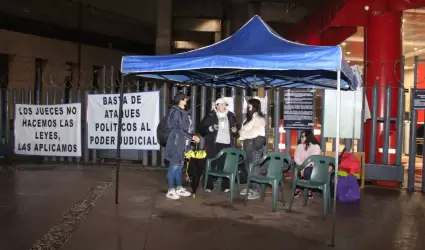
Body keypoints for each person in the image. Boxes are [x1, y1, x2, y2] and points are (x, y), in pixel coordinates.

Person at [198, 98, 240, 193]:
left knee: (225, 165)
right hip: (213, 143)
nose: (223, 106)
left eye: (224, 105)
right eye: (221, 105)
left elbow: (237, 128)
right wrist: (211, 128)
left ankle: (225, 186)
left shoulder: (231, 115)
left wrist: (235, 131)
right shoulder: (210, 116)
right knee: (210, 164)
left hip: (227, 144)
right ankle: (208, 185)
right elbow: (201, 129)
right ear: (216, 106)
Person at [165, 92, 200, 200]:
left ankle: (179, 187)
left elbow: (187, 128)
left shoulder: (183, 112)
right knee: (174, 167)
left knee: (179, 167)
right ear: (180, 100)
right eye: (185, 99)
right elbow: (177, 129)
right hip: (176, 143)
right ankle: (170, 190)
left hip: (182, 143)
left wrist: (192, 136)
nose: (186, 101)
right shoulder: (176, 112)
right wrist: (192, 137)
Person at [238, 98, 266, 200]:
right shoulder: (249, 119)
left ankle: (256, 190)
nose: (247, 107)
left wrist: (243, 134)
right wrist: (242, 134)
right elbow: (243, 130)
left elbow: (256, 132)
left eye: (249, 106)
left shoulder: (258, 118)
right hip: (247, 146)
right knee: (248, 168)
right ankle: (250, 188)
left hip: (254, 147)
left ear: (254, 107)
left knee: (254, 169)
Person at [293, 130, 322, 199]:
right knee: (297, 168)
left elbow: (313, 160)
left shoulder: (316, 146)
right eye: (301, 137)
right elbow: (296, 158)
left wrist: (304, 166)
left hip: (312, 167)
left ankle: (309, 189)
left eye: (303, 136)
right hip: (301, 166)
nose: (301, 138)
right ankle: (299, 187)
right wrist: (302, 166)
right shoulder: (299, 146)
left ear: (308, 137)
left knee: (308, 170)